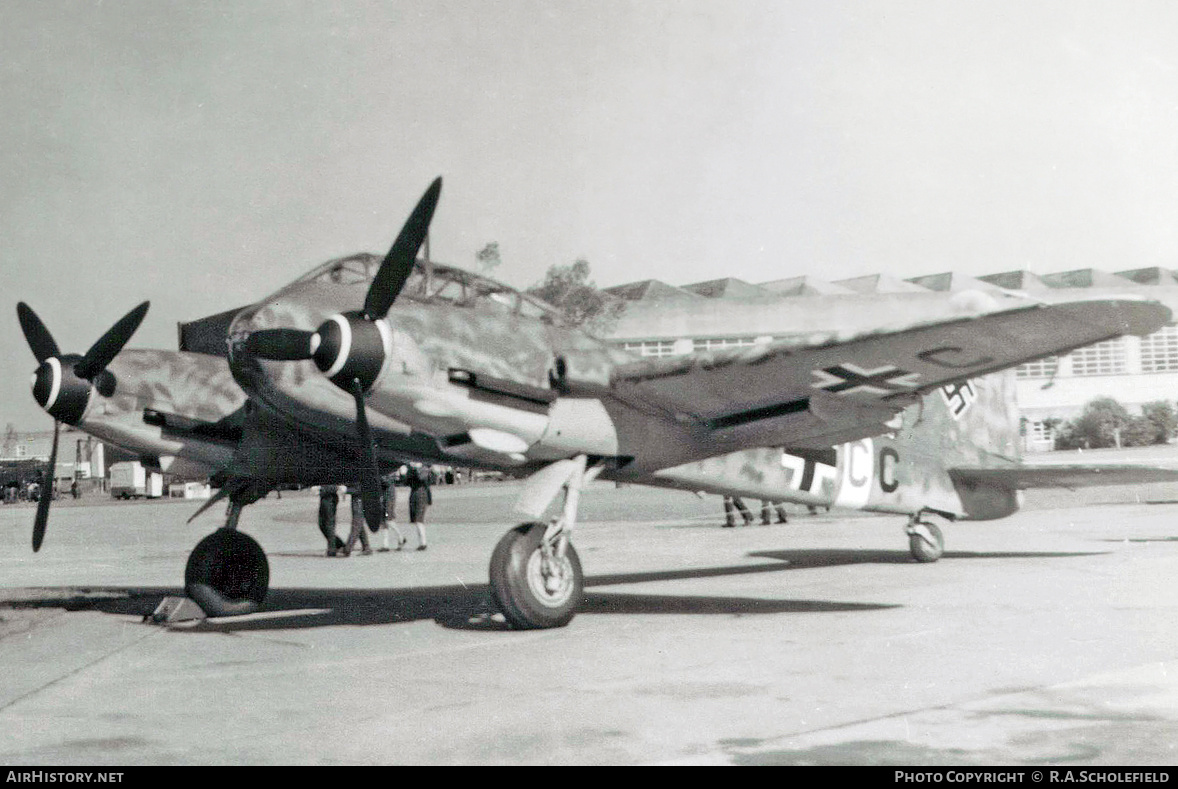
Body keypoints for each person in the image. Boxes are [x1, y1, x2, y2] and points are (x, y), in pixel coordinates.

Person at [406, 463, 432, 550]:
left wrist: (415, 469)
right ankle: (422, 542)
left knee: (419, 520)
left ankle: (423, 543)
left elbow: (422, 478)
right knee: (417, 520)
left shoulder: (424, 468)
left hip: (421, 494)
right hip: (414, 494)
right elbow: (407, 481)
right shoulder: (414, 469)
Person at [378, 474, 406, 552]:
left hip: (389, 499)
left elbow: (387, 482)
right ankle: (385, 545)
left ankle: (401, 537)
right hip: (384, 498)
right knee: (384, 522)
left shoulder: (389, 471)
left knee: (388, 520)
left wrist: (377, 477)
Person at [343, 485, 372, 556]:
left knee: (356, 525)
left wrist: (347, 490)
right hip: (357, 500)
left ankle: (348, 548)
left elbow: (360, 489)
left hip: (360, 500)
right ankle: (366, 547)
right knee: (359, 525)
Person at [318, 485, 345, 556]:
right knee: (322, 524)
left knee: (328, 524)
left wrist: (320, 489)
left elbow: (333, 486)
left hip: (329, 497)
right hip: (325, 496)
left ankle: (332, 549)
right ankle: (338, 544)